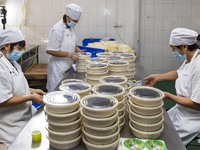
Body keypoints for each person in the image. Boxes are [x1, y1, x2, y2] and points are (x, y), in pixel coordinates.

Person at [144, 28, 200, 146]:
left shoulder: (198, 66)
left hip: (192, 119)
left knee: (164, 142)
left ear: (184, 47)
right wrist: (158, 77)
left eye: (174, 48)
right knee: (159, 125)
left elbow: (197, 104)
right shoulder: (190, 59)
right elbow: (180, 73)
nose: (173, 52)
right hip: (180, 110)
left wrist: (168, 95)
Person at [0, 27, 45, 149]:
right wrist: (30, 97)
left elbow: (16, 86)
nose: (19, 52)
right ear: (7, 46)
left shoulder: (12, 62)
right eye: (19, 49)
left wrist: (32, 90)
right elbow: (3, 100)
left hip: (25, 114)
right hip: (11, 125)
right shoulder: (1, 68)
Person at [46, 3, 83, 92]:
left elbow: (71, 42)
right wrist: (69, 54)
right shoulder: (58, 29)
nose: (75, 23)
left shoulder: (71, 27)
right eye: (74, 20)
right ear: (67, 17)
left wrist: (79, 51)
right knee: (56, 93)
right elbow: (50, 50)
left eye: (76, 21)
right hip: (57, 69)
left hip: (67, 67)